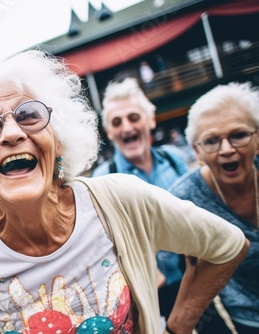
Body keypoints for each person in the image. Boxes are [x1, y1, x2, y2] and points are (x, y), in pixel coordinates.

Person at [0, 49, 249, 334]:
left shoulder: (119, 198)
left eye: (29, 115)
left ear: (59, 142)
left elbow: (227, 245)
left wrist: (177, 326)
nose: (12, 133)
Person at [169, 82, 259, 334]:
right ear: (197, 151)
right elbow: (191, 279)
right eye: (212, 141)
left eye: (238, 135)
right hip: (254, 321)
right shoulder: (185, 199)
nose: (227, 150)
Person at [91, 77, 190, 320]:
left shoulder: (174, 159)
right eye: (117, 122)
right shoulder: (103, 178)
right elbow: (103, 243)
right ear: (110, 132)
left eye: (133, 117)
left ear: (150, 120)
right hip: (149, 291)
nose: (126, 127)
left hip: (191, 277)